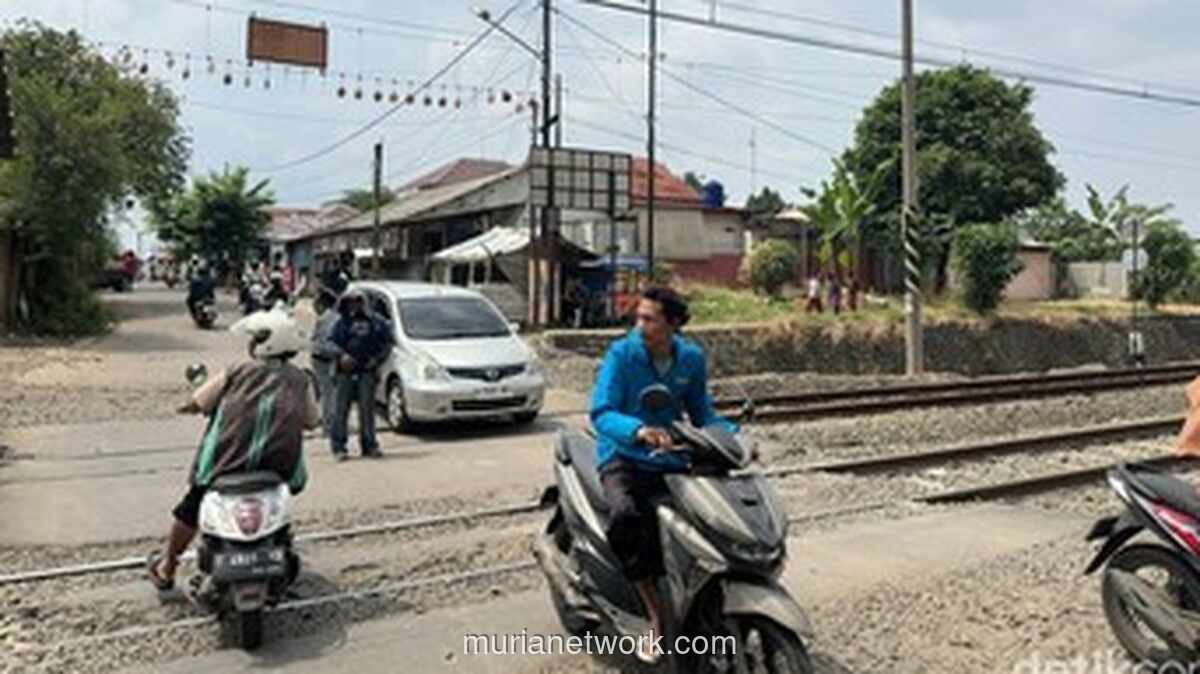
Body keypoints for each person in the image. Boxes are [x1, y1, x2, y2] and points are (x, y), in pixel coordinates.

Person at [589, 285, 736, 664]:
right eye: (638, 317)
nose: (639, 326)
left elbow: (703, 413)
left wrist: (734, 438)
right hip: (623, 454)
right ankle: (655, 615)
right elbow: (601, 411)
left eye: (649, 319)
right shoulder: (621, 354)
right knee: (626, 516)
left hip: (669, 456)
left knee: (707, 514)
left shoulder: (690, 359)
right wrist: (637, 430)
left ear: (673, 323)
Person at [146, 307, 321, 591]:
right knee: (282, 512)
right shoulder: (301, 380)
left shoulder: (237, 371)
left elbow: (200, 401)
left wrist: (191, 406)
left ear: (266, 342)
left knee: (190, 509)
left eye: (255, 338)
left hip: (225, 467)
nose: (251, 344)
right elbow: (312, 421)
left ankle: (167, 567)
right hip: (278, 472)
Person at [326, 288, 394, 461]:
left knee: (367, 411)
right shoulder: (341, 323)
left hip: (367, 372)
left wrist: (377, 360)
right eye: (351, 301)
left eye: (358, 301)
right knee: (340, 411)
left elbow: (387, 343)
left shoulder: (377, 322)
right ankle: (339, 448)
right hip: (344, 373)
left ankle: (370, 445)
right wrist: (341, 356)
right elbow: (328, 343)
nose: (355, 305)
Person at [309, 289, 341, 436]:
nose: (313, 305)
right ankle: (329, 424)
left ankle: (329, 427)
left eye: (315, 301)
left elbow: (326, 343)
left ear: (322, 303)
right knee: (328, 394)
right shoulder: (329, 318)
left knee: (328, 394)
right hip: (324, 360)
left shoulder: (328, 319)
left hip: (326, 361)